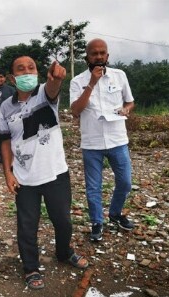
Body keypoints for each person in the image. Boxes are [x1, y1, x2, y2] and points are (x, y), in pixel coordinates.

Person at [0, 55, 88, 290]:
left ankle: (64, 252)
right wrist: (7, 173)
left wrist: (56, 79)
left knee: (63, 221)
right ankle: (31, 267)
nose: (26, 72)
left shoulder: (45, 94)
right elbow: (4, 141)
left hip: (56, 172)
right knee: (27, 226)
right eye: (20, 69)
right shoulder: (6, 107)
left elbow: (54, 87)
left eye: (31, 68)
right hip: (25, 177)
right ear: (11, 77)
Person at [70, 38, 135, 242]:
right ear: (86, 57)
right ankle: (97, 222)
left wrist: (126, 110)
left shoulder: (119, 75)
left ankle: (115, 214)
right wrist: (91, 84)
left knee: (125, 183)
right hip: (92, 143)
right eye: (94, 53)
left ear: (107, 56)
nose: (98, 57)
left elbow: (130, 101)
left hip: (118, 139)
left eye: (102, 53)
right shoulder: (77, 81)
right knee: (93, 187)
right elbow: (75, 111)